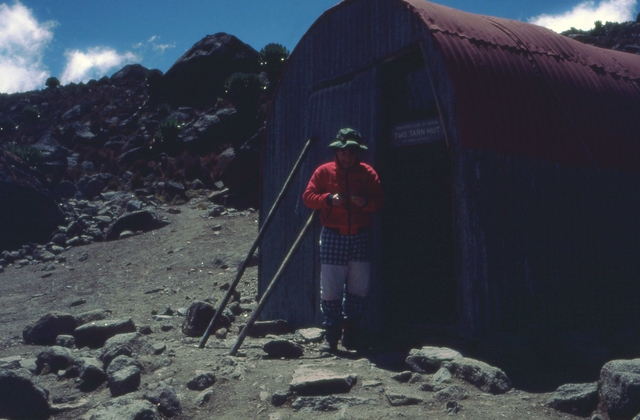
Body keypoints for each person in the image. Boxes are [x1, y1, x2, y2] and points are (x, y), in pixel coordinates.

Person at [302, 128, 384, 352]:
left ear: (357, 153)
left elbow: (379, 201)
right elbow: (308, 197)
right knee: (330, 286)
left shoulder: (367, 173)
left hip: (361, 234)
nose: (348, 158)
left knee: (359, 286)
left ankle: (351, 331)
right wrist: (328, 199)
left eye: (352, 153)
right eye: (344, 153)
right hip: (332, 234)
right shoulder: (324, 172)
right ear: (336, 151)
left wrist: (364, 203)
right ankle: (332, 335)